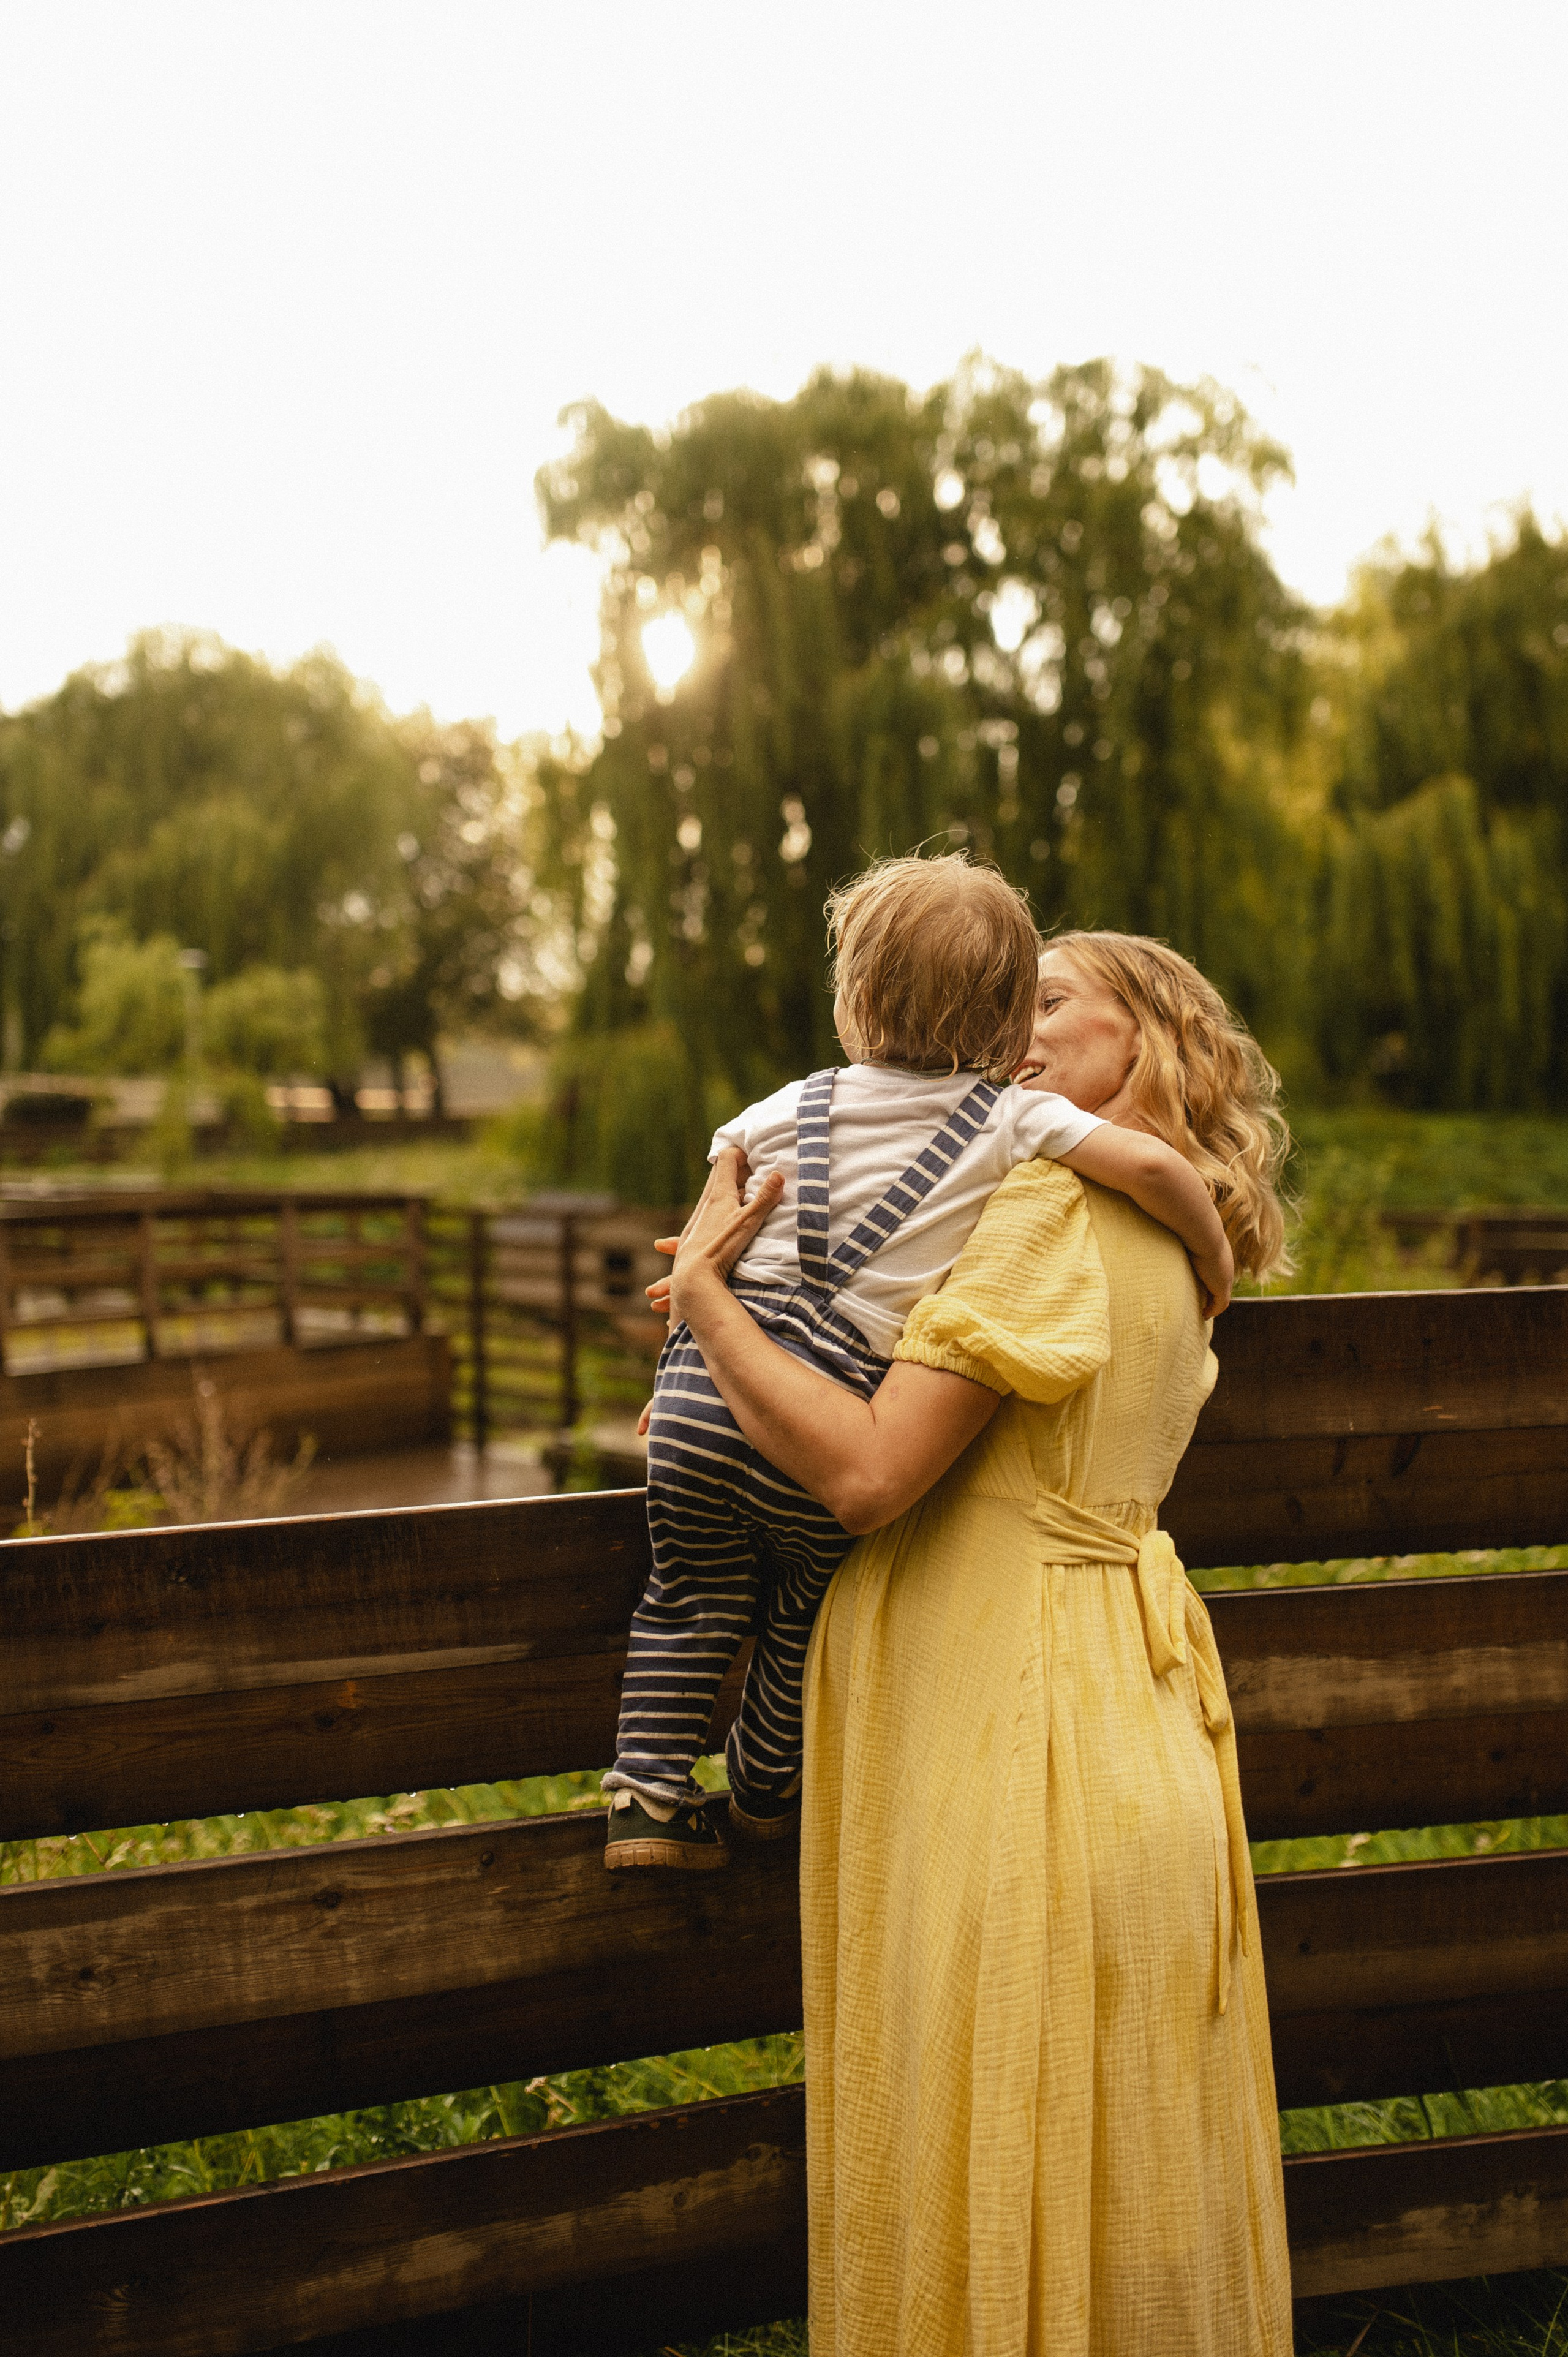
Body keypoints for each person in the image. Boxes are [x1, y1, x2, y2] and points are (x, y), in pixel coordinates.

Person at [657, 930, 1294, 2355]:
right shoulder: (1175, 1239)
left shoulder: (1045, 1217)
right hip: (1125, 1705)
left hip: (1007, 1717)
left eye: (1050, 1000)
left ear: (1144, 1041)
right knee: (1119, 2133)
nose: (1014, 1024)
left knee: (977, 2107)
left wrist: (701, 1299)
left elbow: (871, 1473)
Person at [603, 858, 1234, 1871]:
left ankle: (644, 1789)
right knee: (804, 1602)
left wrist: (699, 1346)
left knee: (688, 1595)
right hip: (1088, 1640)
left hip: (716, 1415)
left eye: (1053, 1000)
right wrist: (1220, 1256)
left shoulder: (798, 1116)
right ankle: (766, 1784)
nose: (1026, 1031)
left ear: (853, 1002)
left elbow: (712, 1239)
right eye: (1017, 1003)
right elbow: (1161, 1172)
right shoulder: (1027, 1155)